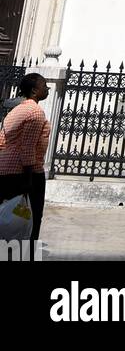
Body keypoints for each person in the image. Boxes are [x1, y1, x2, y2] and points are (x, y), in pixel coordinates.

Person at [0, 72, 51, 254]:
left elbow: (2, 140)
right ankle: (25, 254)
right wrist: (29, 179)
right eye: (45, 86)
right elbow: (28, 147)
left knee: (9, 213)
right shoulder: (35, 112)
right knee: (31, 216)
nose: (47, 89)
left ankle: (7, 251)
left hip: (5, 168)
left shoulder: (17, 110)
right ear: (35, 90)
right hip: (26, 171)